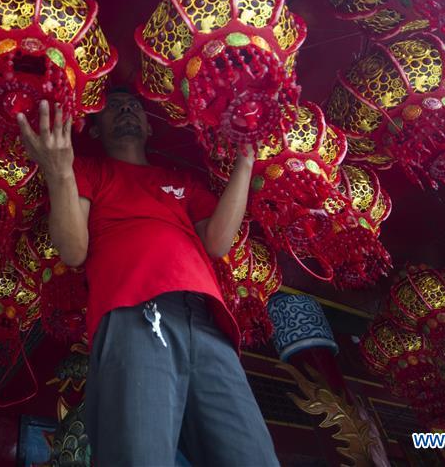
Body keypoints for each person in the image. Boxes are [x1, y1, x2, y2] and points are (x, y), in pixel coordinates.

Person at [18, 89, 279, 467]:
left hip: (207, 321)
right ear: (93, 130)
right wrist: (58, 172)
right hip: (135, 312)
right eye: (114, 106)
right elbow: (73, 250)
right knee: (139, 454)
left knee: (252, 456)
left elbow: (218, 241)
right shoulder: (89, 171)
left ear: (149, 127)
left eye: (135, 106)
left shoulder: (183, 181)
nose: (127, 109)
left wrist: (245, 160)